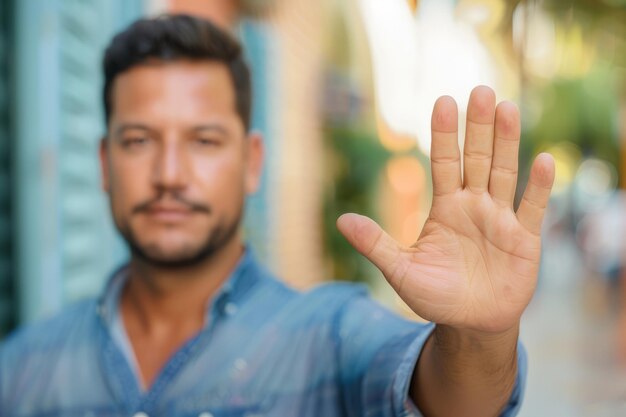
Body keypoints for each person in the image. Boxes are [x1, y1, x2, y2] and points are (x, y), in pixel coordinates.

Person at [0, 14, 555, 417]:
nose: (169, 172)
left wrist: (480, 336)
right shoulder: (22, 368)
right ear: (104, 162)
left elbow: (453, 402)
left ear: (251, 162)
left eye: (204, 140)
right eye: (140, 139)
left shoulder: (328, 335)